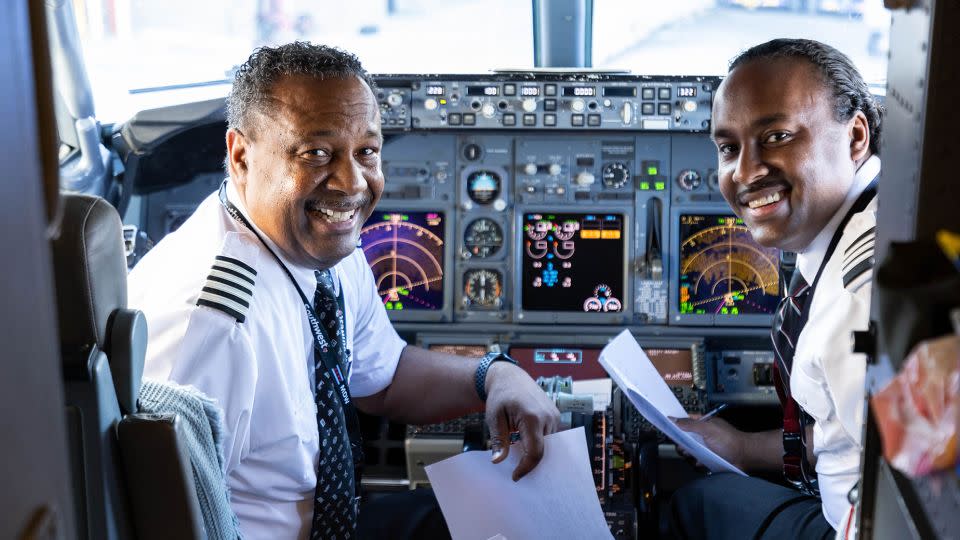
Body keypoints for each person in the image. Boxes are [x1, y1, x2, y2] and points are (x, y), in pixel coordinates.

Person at [128, 42, 560, 540]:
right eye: (316, 153)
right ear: (241, 155)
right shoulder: (212, 326)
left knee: (512, 514)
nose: (353, 183)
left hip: (337, 522)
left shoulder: (321, 242)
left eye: (367, 152)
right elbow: (167, 520)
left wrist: (494, 375)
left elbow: (384, 377)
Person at [670, 39, 883, 540]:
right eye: (728, 148)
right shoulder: (868, 220)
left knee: (690, 506)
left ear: (855, 137)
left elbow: (926, 490)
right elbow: (849, 431)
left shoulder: (861, 301)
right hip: (845, 502)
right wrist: (743, 449)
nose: (745, 171)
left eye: (777, 135)